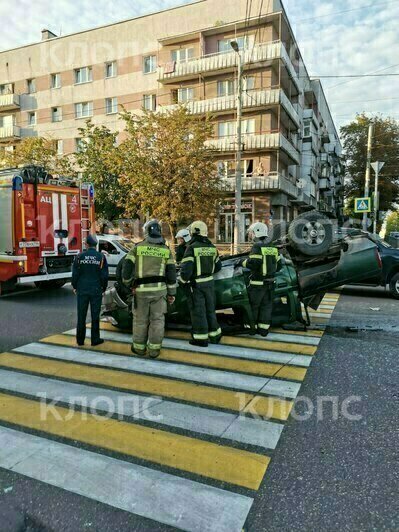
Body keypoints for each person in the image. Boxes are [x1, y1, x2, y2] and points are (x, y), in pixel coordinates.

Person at [122, 219, 176, 359]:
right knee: (157, 321)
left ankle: (139, 349)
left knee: (140, 320)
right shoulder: (165, 250)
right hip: (160, 292)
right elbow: (171, 274)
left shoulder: (137, 248)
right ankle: (154, 350)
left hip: (140, 292)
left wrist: (128, 284)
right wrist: (172, 293)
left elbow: (126, 269)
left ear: (146, 231)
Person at [180, 220, 222, 347]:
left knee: (198, 312)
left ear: (194, 232)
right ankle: (215, 336)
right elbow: (218, 266)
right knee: (210, 310)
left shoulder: (191, 248)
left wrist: (182, 282)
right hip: (209, 283)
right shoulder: (212, 247)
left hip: (196, 286)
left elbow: (186, 270)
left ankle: (201, 339)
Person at [242, 222, 282, 336]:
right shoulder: (272, 246)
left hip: (257, 284)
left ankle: (251, 329)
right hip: (270, 283)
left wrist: (243, 262)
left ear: (256, 232)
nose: (251, 235)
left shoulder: (257, 246)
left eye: (251, 233)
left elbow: (254, 263)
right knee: (266, 306)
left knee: (254, 306)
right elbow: (279, 265)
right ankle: (263, 330)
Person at [72, 234, 109, 347]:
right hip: (96, 289)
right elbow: (104, 276)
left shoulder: (79, 257)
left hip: (82, 290)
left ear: (86, 244)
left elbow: (75, 274)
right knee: (95, 315)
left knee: (81, 315)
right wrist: (103, 288)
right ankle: (95, 339)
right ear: (95, 244)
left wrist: (74, 286)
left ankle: (80, 340)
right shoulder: (101, 257)